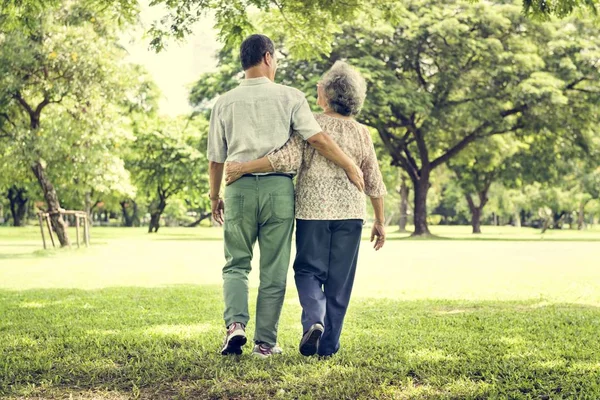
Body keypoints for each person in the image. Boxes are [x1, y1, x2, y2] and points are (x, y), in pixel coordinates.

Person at [207, 34, 364, 358]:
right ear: (267, 57)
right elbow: (317, 139)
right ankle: (265, 344)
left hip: (238, 188)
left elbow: (215, 158)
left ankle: (235, 326)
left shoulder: (224, 101)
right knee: (274, 269)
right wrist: (349, 164)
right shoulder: (289, 97)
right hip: (279, 190)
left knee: (236, 264)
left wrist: (214, 196)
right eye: (275, 58)